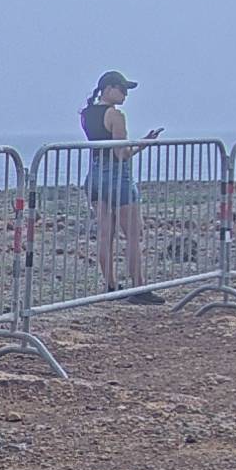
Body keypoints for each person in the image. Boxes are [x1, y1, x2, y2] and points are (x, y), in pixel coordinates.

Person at [80, 71, 163, 304]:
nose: (125, 95)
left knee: (105, 234)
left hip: (95, 175)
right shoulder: (115, 115)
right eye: (122, 89)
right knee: (134, 233)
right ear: (108, 89)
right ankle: (139, 287)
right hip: (117, 176)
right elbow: (122, 153)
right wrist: (143, 144)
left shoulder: (86, 114)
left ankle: (110, 286)